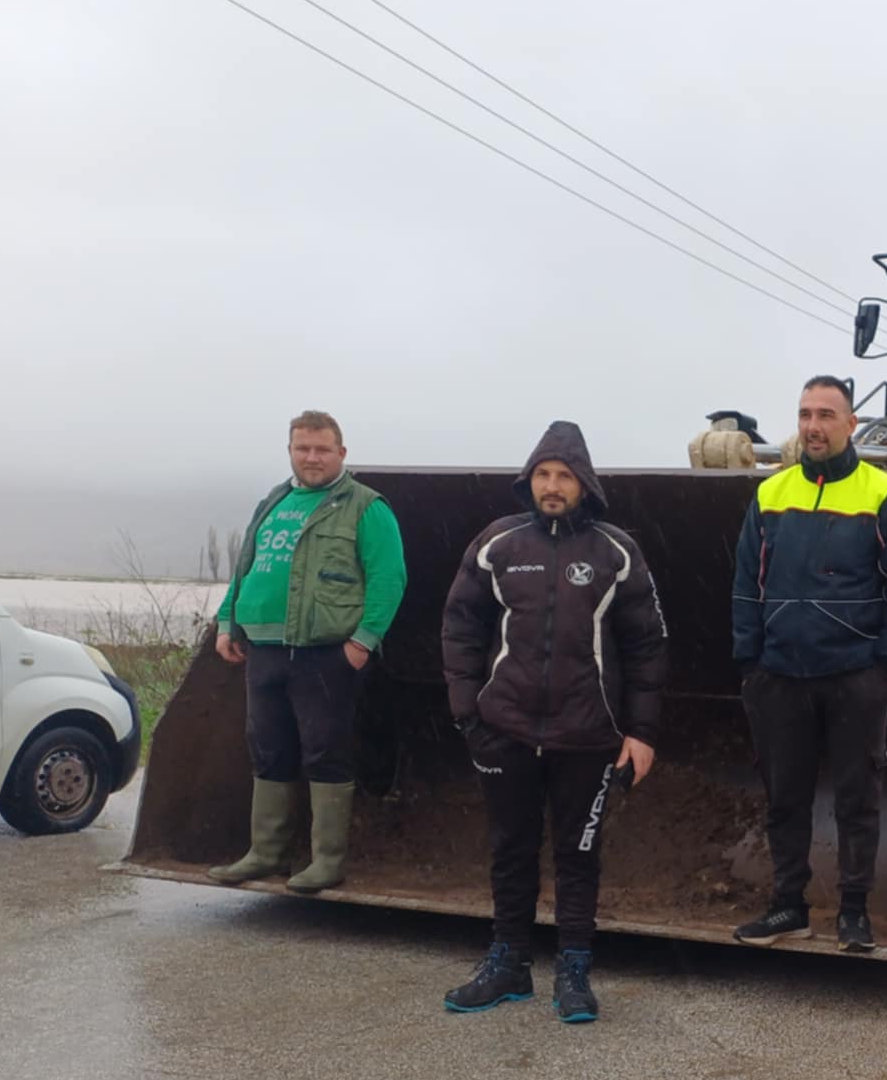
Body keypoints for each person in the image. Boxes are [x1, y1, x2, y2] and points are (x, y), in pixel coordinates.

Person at [438, 421, 668, 1024]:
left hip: (589, 735)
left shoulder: (616, 552)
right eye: (543, 474)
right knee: (510, 849)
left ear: (583, 484)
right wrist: (468, 711)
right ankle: (509, 963)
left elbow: (647, 647)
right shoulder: (497, 543)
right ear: (529, 481)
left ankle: (573, 969)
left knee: (578, 854)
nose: (552, 485)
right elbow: (460, 627)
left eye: (564, 475)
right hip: (504, 729)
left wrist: (641, 734)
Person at [729, 376, 887, 952]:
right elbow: (746, 583)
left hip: (853, 678)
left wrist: (883, 668)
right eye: (804, 414)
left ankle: (854, 911)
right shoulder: (771, 494)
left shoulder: (886, 495)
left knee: (855, 799)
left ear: (851, 425)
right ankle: (788, 905)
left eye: (825, 415)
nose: (813, 426)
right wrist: (751, 662)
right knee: (784, 797)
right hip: (779, 677)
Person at [210, 410, 406, 893]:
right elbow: (246, 566)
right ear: (290, 451)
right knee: (269, 749)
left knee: (325, 752)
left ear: (342, 453)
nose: (312, 457)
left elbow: (389, 578)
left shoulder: (365, 507)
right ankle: (266, 853)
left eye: (322, 449)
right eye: (303, 448)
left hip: (324, 653)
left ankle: (327, 861)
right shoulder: (273, 502)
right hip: (265, 650)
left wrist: (362, 643)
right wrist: (226, 620)